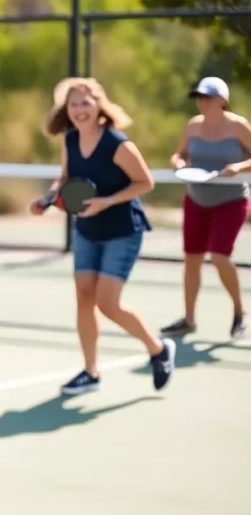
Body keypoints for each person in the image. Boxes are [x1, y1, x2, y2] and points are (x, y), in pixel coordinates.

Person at [29, 77, 176, 395]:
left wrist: (106, 202)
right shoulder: (69, 141)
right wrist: (47, 199)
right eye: (73, 104)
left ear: (99, 106)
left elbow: (145, 182)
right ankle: (90, 372)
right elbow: (66, 179)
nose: (80, 109)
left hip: (122, 230)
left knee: (108, 304)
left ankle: (157, 349)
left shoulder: (117, 143)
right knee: (84, 296)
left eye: (85, 102)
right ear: (66, 110)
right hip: (87, 229)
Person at [163, 77, 251, 339]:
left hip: (231, 200)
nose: (202, 102)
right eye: (199, 97)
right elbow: (179, 154)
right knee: (192, 259)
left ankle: (239, 312)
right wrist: (177, 162)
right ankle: (189, 319)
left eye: (207, 97)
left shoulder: (239, 127)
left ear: (222, 100)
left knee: (219, 255)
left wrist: (239, 167)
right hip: (196, 199)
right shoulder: (193, 126)